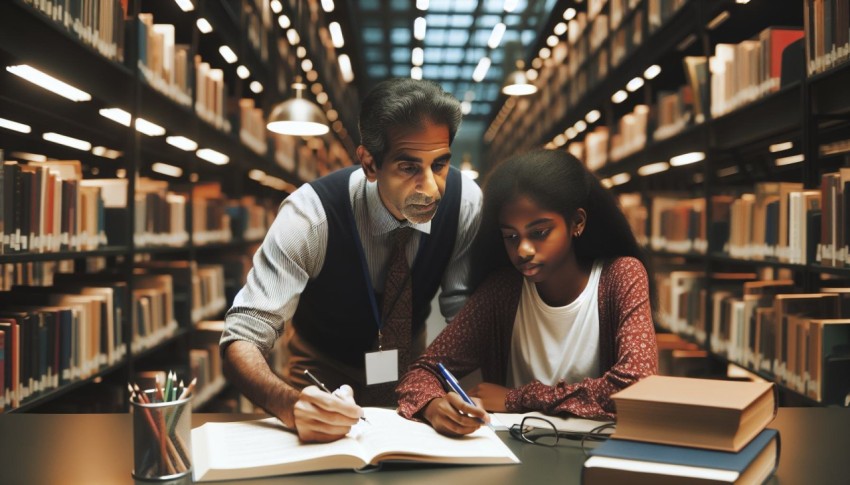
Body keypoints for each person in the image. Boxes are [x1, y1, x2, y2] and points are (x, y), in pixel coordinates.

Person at [221, 78, 482, 443]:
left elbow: (464, 316)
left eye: (439, 165)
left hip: (410, 370)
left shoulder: (465, 203)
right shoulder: (310, 215)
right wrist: (290, 405)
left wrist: (447, 389)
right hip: (319, 370)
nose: (432, 188)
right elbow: (243, 333)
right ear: (369, 163)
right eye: (409, 168)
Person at [396, 149, 658, 437]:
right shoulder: (503, 291)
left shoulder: (620, 277)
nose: (523, 250)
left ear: (577, 223)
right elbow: (422, 372)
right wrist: (433, 406)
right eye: (510, 236)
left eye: (540, 232)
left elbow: (637, 384)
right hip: (516, 455)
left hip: (598, 454)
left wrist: (515, 398)